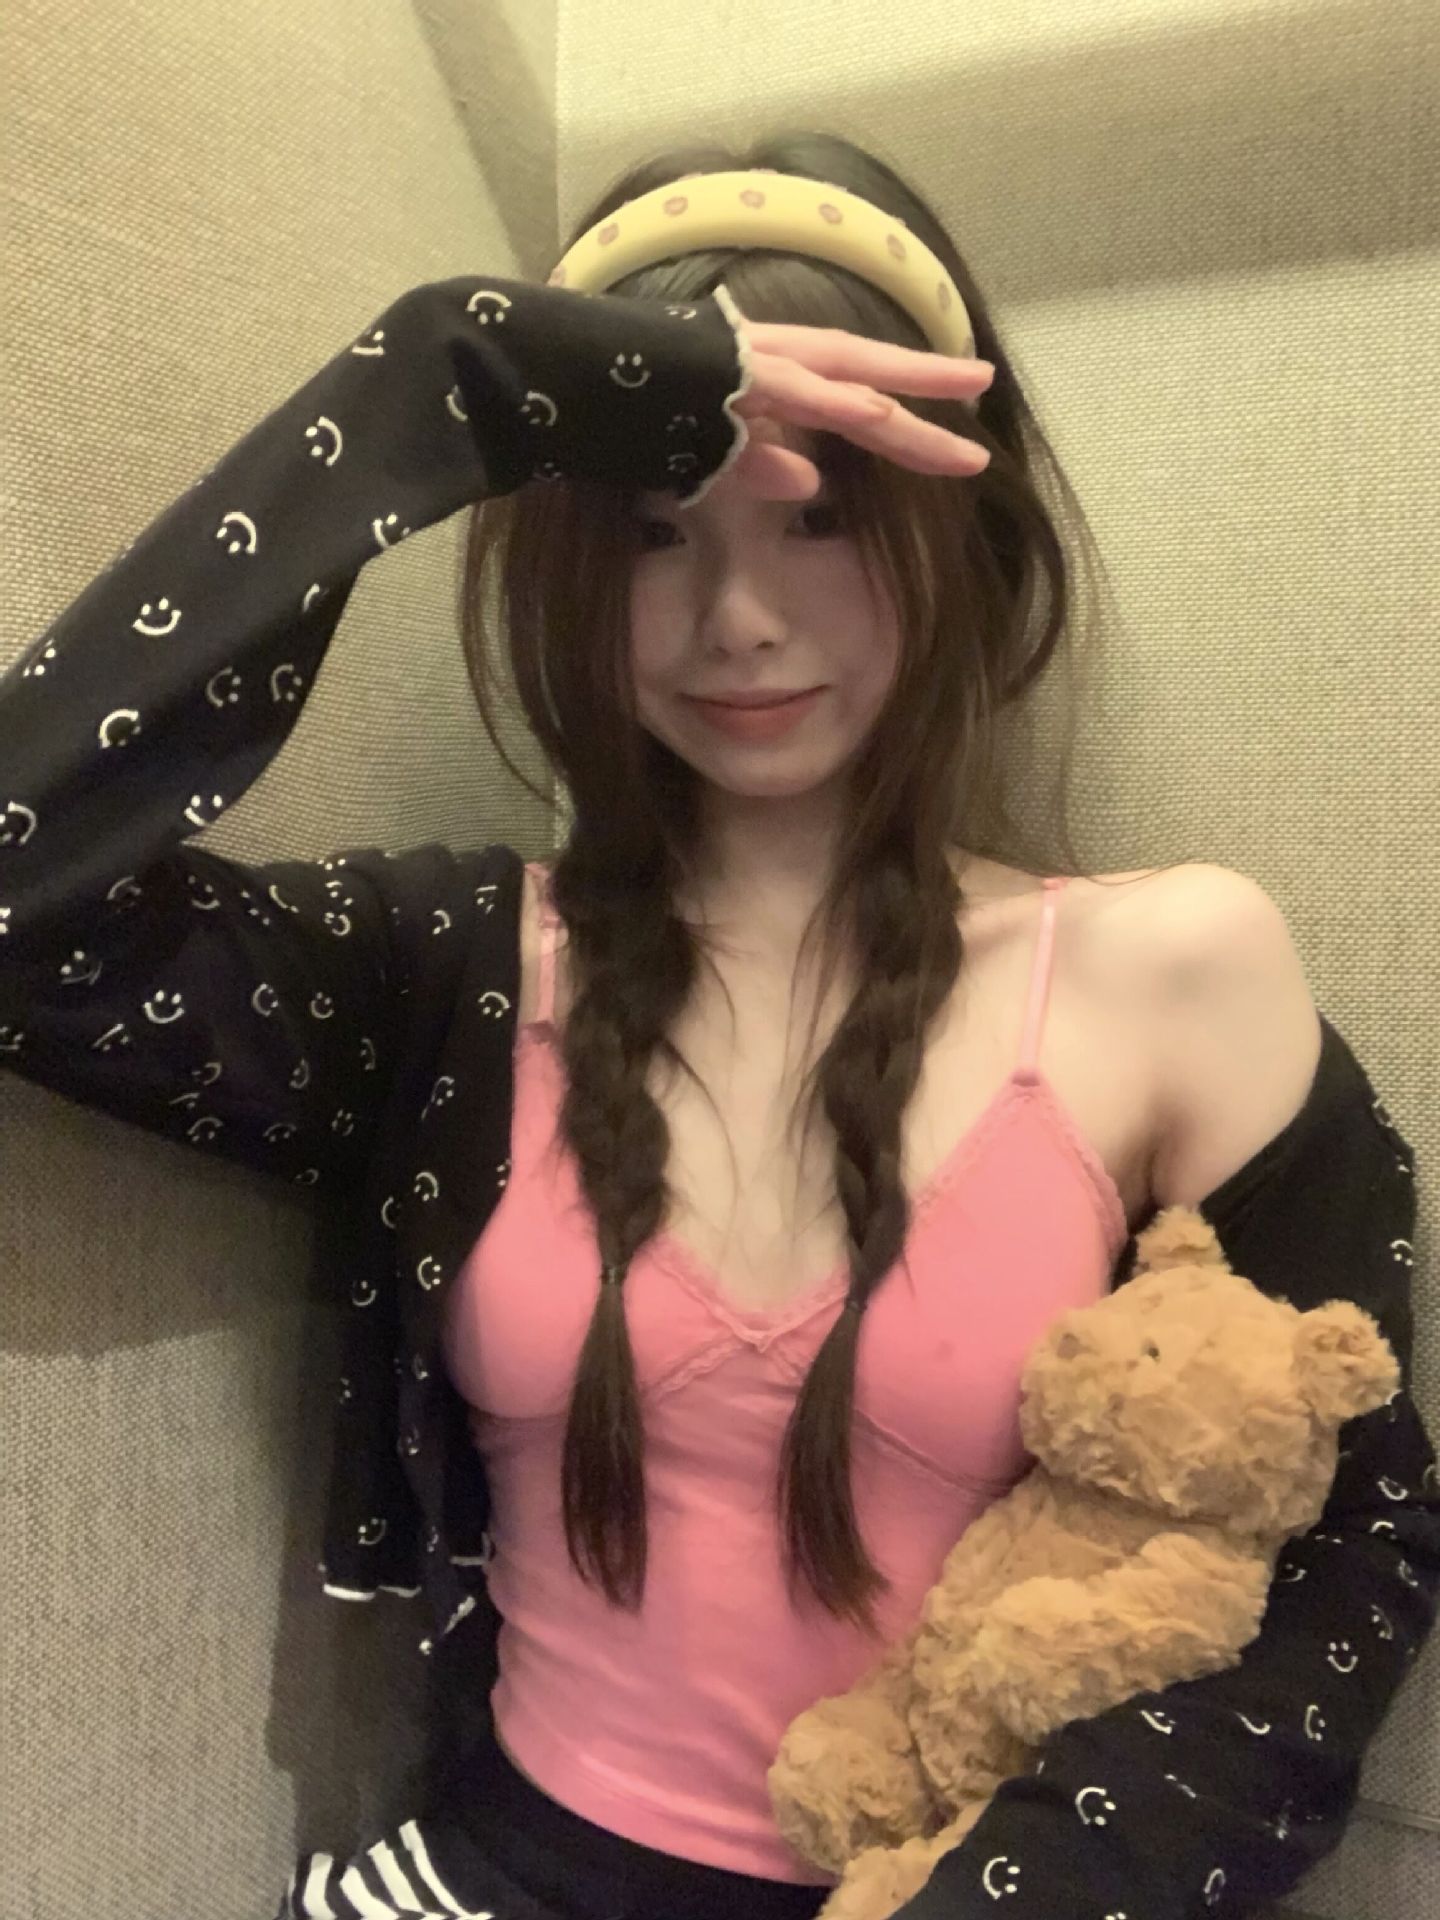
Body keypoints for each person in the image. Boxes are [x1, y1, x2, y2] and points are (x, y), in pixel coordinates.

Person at [1, 133, 1434, 1920]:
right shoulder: (449, 970)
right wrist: (432, 386)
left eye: (820, 520)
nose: (738, 621)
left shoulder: (1177, 973)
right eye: (649, 533)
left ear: (961, 527)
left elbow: (1341, 1560)